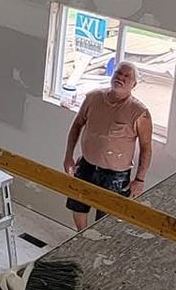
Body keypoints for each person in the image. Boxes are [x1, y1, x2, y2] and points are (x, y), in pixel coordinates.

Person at [61, 61, 153, 231]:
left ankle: (98, 246)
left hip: (115, 175)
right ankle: (81, 236)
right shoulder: (93, 98)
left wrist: (140, 179)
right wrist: (68, 156)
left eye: (127, 76)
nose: (121, 78)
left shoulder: (139, 112)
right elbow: (77, 126)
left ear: (134, 84)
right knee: (77, 205)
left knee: (108, 217)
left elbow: (146, 148)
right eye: (118, 73)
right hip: (86, 165)